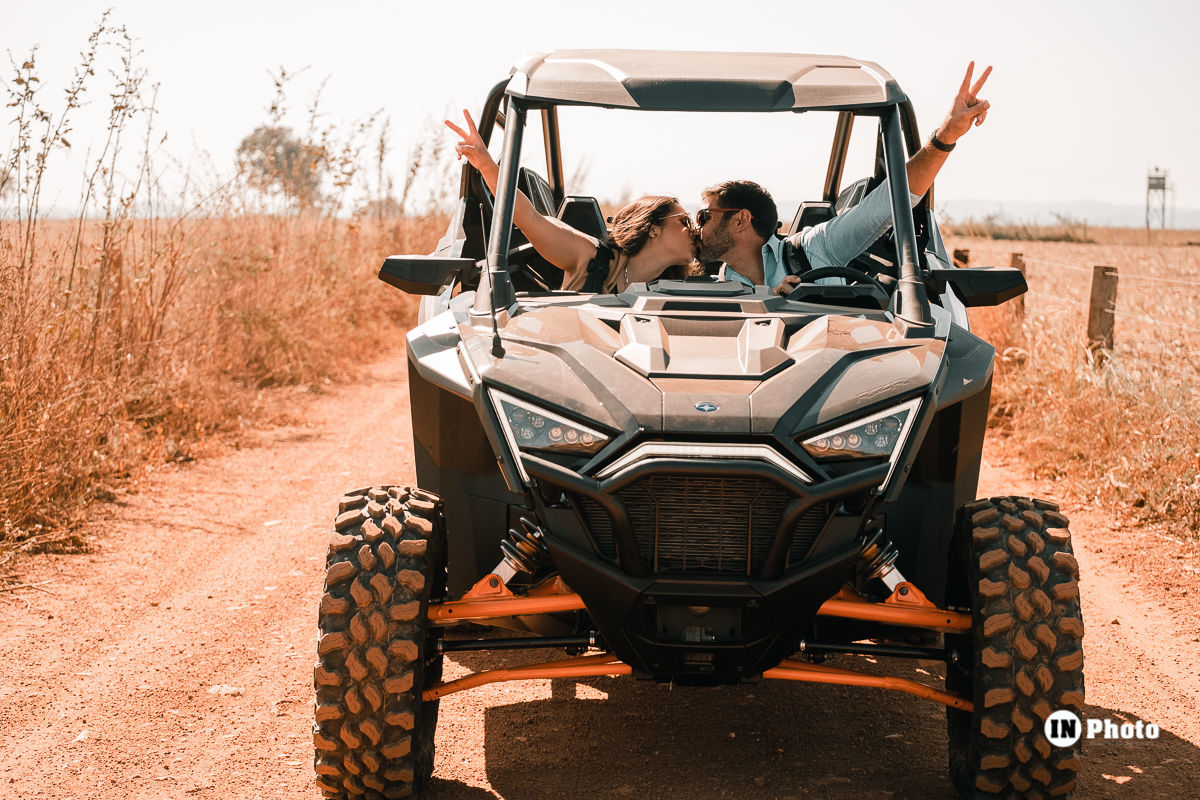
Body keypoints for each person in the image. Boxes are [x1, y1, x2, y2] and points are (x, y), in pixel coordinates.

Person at [695, 62, 992, 294]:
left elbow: (889, 203)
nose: (696, 228)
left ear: (740, 220)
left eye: (703, 216)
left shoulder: (815, 248)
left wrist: (947, 135)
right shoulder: (713, 286)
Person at [446, 110, 698, 293]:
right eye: (684, 220)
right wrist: (486, 165)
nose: (694, 229)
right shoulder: (590, 256)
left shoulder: (676, 288)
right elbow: (528, 218)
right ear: (653, 229)